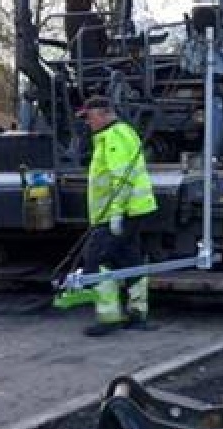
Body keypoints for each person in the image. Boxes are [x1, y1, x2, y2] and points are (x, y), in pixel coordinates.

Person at [54, 95, 157, 336]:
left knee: (99, 260)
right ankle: (137, 313)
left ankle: (110, 318)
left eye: (89, 117)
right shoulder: (122, 133)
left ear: (101, 114)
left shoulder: (113, 137)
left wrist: (115, 214)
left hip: (120, 212)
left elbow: (120, 179)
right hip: (133, 209)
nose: (87, 123)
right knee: (130, 259)